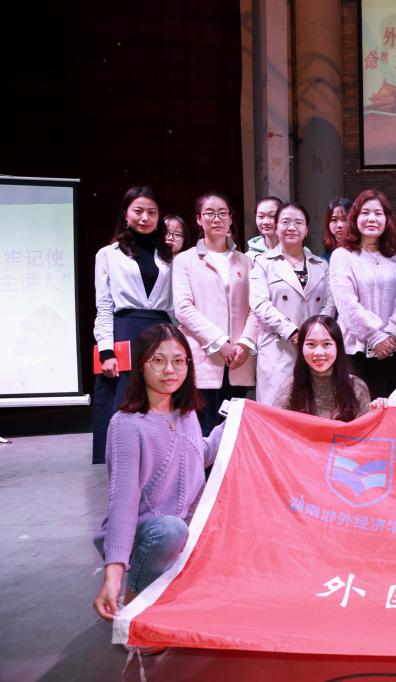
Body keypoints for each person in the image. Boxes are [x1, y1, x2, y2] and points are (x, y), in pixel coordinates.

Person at [92, 324, 225, 630]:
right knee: (169, 529)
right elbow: (123, 504)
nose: (169, 370)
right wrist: (112, 576)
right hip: (149, 534)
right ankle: (134, 603)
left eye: (178, 361)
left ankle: (170, 589)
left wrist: (232, 425)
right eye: (158, 360)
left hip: (183, 530)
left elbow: (197, 455)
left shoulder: (186, 414)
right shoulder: (126, 424)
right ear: (140, 365)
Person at [92, 186, 174, 464]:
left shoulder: (169, 255)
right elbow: (104, 306)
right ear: (126, 215)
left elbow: (175, 306)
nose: (145, 218)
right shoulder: (108, 254)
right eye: (138, 211)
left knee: (161, 403)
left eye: (152, 212)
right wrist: (106, 351)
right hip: (125, 333)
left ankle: (160, 465)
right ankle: (125, 470)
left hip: (162, 333)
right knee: (125, 407)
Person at [173, 192, 257, 435]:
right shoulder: (186, 260)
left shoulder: (246, 262)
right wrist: (220, 342)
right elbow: (183, 308)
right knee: (203, 429)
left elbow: (256, 308)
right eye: (209, 213)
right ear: (199, 219)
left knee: (232, 431)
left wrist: (245, 343)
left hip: (239, 358)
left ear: (230, 219)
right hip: (204, 356)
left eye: (222, 213)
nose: (217, 218)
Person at [250, 202, 335, 404]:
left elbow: (330, 303)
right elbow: (260, 304)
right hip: (278, 347)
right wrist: (291, 332)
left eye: (298, 222)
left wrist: (313, 333)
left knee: (313, 408)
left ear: (306, 229)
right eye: (285, 222)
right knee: (276, 408)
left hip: (315, 348)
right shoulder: (263, 263)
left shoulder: (321, 265)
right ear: (276, 227)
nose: (292, 227)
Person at [329, 189, 396, 398]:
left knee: (393, 410)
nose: (372, 218)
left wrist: (391, 332)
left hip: (394, 349)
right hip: (356, 351)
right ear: (355, 218)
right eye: (365, 213)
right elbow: (346, 303)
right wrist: (374, 336)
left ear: (387, 219)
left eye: (378, 213)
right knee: (359, 410)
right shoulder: (342, 256)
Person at [274, 315, 370, 420]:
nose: (319, 352)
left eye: (327, 344)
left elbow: (365, 428)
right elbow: (277, 426)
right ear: (301, 348)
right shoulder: (289, 389)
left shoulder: (356, 389)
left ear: (338, 347)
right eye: (311, 344)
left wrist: (378, 410)